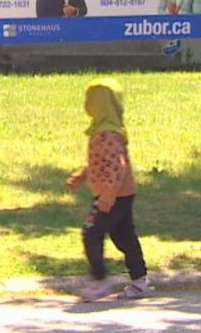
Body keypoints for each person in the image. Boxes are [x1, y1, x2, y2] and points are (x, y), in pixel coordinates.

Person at [65, 77, 153, 302]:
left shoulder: (107, 135)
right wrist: (83, 175)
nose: (85, 104)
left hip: (112, 196)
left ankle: (99, 280)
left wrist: (107, 196)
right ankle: (140, 280)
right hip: (122, 194)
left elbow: (117, 167)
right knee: (124, 236)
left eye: (89, 99)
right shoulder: (106, 130)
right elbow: (101, 161)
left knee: (91, 232)